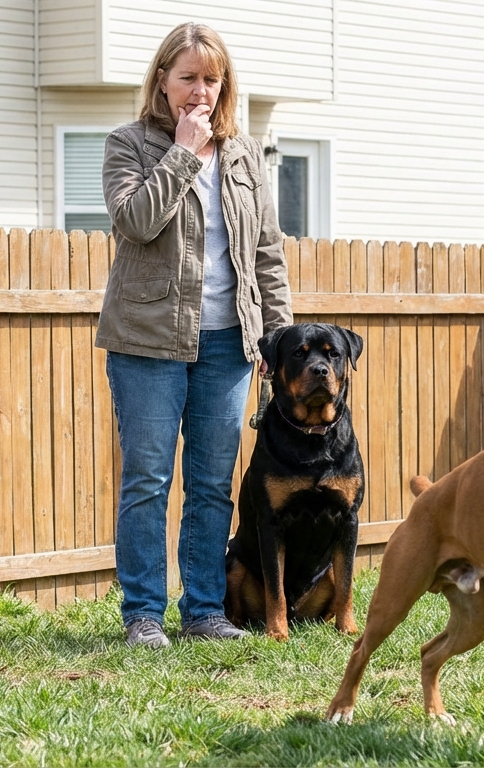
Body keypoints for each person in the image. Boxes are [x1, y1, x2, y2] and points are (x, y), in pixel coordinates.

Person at [97, 21, 292, 648]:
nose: (200, 92)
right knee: (148, 482)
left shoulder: (244, 156)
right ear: (162, 80)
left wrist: (278, 339)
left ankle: (205, 611)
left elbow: (267, 252)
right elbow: (135, 222)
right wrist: (182, 152)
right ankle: (144, 616)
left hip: (228, 344)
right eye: (188, 78)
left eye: (212, 80)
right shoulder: (128, 144)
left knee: (211, 484)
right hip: (147, 343)